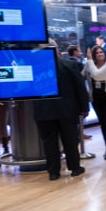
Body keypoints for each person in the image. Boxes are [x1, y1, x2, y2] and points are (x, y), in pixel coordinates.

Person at [33, 43, 89, 180]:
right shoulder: (68, 65)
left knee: (49, 142)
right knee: (70, 140)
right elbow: (79, 87)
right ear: (57, 50)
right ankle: (75, 167)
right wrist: (84, 107)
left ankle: (53, 172)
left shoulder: (34, 68)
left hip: (43, 112)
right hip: (67, 110)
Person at [84, 45, 106, 159]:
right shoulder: (89, 66)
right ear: (93, 56)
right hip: (96, 99)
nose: (100, 54)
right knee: (103, 123)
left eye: (101, 52)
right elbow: (81, 76)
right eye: (97, 53)